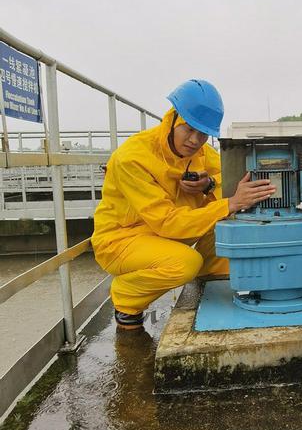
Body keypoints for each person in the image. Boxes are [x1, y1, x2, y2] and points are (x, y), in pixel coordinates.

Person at [92, 79, 276, 330]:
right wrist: (228, 203)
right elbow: (167, 222)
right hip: (123, 240)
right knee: (185, 262)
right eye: (188, 129)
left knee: (228, 222)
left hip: (169, 236)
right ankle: (126, 296)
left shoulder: (200, 154)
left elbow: (232, 181)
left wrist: (209, 184)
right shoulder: (132, 158)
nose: (194, 140)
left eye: (203, 134)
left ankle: (209, 281)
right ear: (173, 118)